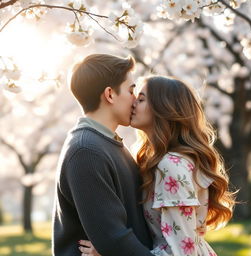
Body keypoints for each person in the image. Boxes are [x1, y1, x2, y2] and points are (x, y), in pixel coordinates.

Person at [79, 75, 235, 256]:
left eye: (141, 99)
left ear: (163, 108)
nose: (133, 103)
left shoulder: (171, 166)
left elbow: (182, 252)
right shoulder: (157, 160)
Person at [52, 54, 154, 256]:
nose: (135, 100)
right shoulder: (86, 151)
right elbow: (114, 238)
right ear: (110, 94)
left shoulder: (107, 142)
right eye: (131, 90)